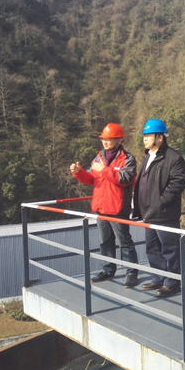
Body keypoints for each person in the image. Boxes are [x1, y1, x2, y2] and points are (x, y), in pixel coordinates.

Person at [70, 123, 139, 288]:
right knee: (105, 242)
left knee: (124, 242)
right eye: (103, 139)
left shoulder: (128, 159)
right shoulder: (99, 157)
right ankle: (108, 270)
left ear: (119, 140)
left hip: (118, 208)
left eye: (109, 139)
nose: (105, 142)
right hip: (101, 208)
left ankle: (131, 273)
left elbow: (124, 179)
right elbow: (91, 179)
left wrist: (104, 169)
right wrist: (79, 172)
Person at [132, 119, 185, 298]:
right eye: (144, 135)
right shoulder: (147, 157)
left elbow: (177, 184)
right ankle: (158, 277)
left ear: (160, 137)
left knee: (170, 249)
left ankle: (172, 283)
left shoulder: (174, 158)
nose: (145, 139)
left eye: (148, 135)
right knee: (152, 248)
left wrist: (159, 203)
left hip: (164, 213)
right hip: (148, 213)